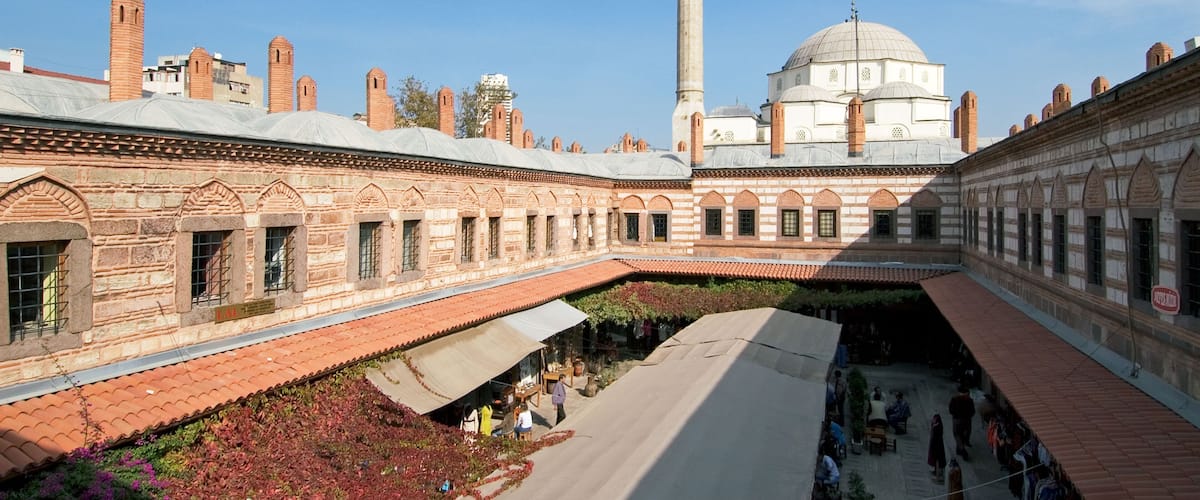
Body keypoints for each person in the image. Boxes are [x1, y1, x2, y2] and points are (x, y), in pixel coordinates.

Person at [948, 385, 976, 460]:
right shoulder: (970, 400)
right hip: (967, 420)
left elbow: (951, 410)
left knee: (957, 434)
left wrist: (955, 415)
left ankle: (962, 449)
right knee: (963, 434)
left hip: (957, 420)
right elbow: (973, 411)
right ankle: (959, 449)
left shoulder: (954, 399)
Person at [928, 414, 947, 484]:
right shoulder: (936, 426)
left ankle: (938, 477)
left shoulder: (937, 427)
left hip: (937, 447)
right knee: (936, 461)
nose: (932, 420)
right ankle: (936, 473)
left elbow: (935, 437)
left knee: (937, 461)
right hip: (936, 446)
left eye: (934, 419)